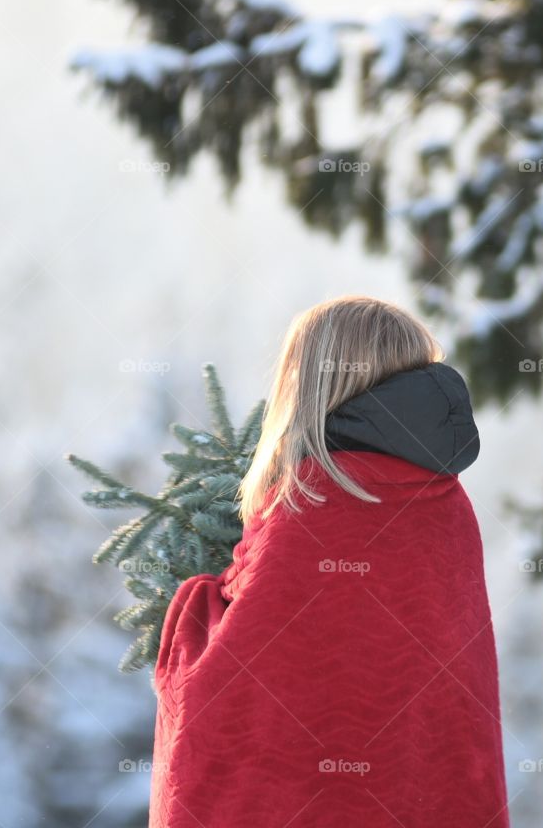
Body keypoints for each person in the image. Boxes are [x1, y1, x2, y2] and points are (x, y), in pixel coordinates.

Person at [149, 295, 510, 828]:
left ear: (312, 382)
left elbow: (234, 687)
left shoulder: (314, 497)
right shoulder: (448, 502)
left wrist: (194, 606)